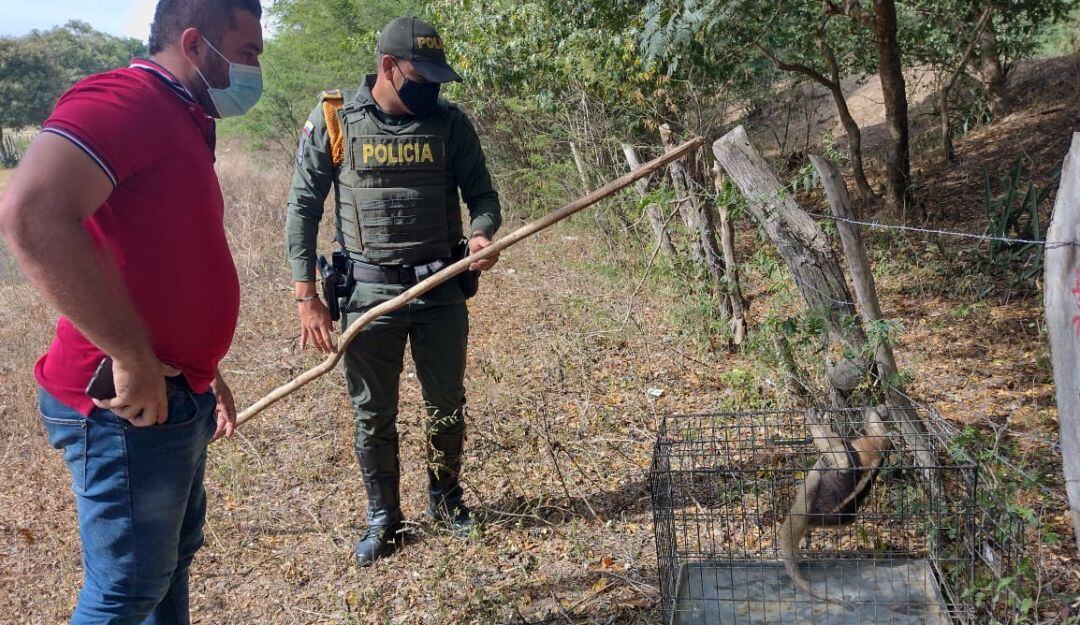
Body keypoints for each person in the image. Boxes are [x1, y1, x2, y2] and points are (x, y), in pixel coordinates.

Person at [0, 0, 264, 622]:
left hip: (173, 390)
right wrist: (131, 356)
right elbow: (32, 213)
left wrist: (204, 368)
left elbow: (158, 258)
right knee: (125, 593)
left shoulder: (186, 115)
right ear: (196, 43)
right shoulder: (124, 100)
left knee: (164, 572)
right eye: (248, 52)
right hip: (125, 404)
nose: (255, 70)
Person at [285, 15, 502, 566]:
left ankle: (446, 500)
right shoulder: (336, 120)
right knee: (371, 412)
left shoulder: (452, 125)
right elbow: (303, 208)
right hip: (367, 299)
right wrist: (307, 296)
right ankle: (385, 517)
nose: (431, 89)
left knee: (446, 403)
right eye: (420, 76)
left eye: (437, 79)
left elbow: (483, 197)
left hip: (441, 292)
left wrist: (480, 235)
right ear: (388, 67)